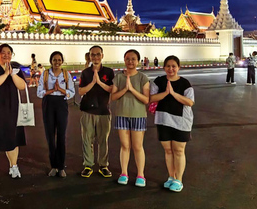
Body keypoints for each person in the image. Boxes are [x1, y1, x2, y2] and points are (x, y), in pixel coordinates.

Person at [150, 55, 194, 192]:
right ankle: (171, 177)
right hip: (163, 120)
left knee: (179, 151)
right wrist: (166, 93)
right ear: (164, 68)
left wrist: (173, 94)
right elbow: (150, 98)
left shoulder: (185, 83)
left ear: (178, 67)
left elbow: (190, 102)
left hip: (181, 121)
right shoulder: (158, 81)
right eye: (168, 66)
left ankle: (179, 180)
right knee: (168, 150)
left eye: (174, 66)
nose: (171, 69)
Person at [0, 44, 27, 179]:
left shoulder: (16, 69)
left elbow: (22, 86)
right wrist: (6, 74)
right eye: (3, 53)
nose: (6, 55)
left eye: (9, 53)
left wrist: (12, 74)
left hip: (12, 109)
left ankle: (13, 166)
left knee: (13, 139)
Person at [111, 49, 150, 187]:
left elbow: (146, 99)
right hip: (122, 114)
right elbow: (113, 97)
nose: (130, 61)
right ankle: (124, 173)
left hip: (138, 115)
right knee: (125, 145)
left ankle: (141, 175)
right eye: (127, 58)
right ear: (124, 60)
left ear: (138, 61)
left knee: (137, 146)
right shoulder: (118, 77)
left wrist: (132, 89)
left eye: (133, 59)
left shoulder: (142, 78)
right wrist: (125, 89)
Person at [37, 51, 75, 178]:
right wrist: (52, 90)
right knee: (50, 135)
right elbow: (39, 92)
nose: (57, 62)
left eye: (59, 60)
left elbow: (71, 92)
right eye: (54, 60)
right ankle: (53, 166)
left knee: (61, 135)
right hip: (48, 103)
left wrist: (60, 90)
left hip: (61, 104)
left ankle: (61, 166)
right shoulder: (45, 74)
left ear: (62, 61)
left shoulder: (66, 74)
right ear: (51, 61)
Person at [78, 45, 114, 178]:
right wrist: (93, 83)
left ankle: (103, 165)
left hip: (103, 110)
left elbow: (111, 89)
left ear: (102, 56)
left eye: (98, 54)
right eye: (93, 55)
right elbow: (81, 91)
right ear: (90, 56)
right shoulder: (86, 73)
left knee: (103, 139)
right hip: (88, 110)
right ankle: (88, 165)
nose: (96, 57)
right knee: (87, 139)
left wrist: (99, 82)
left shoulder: (109, 72)